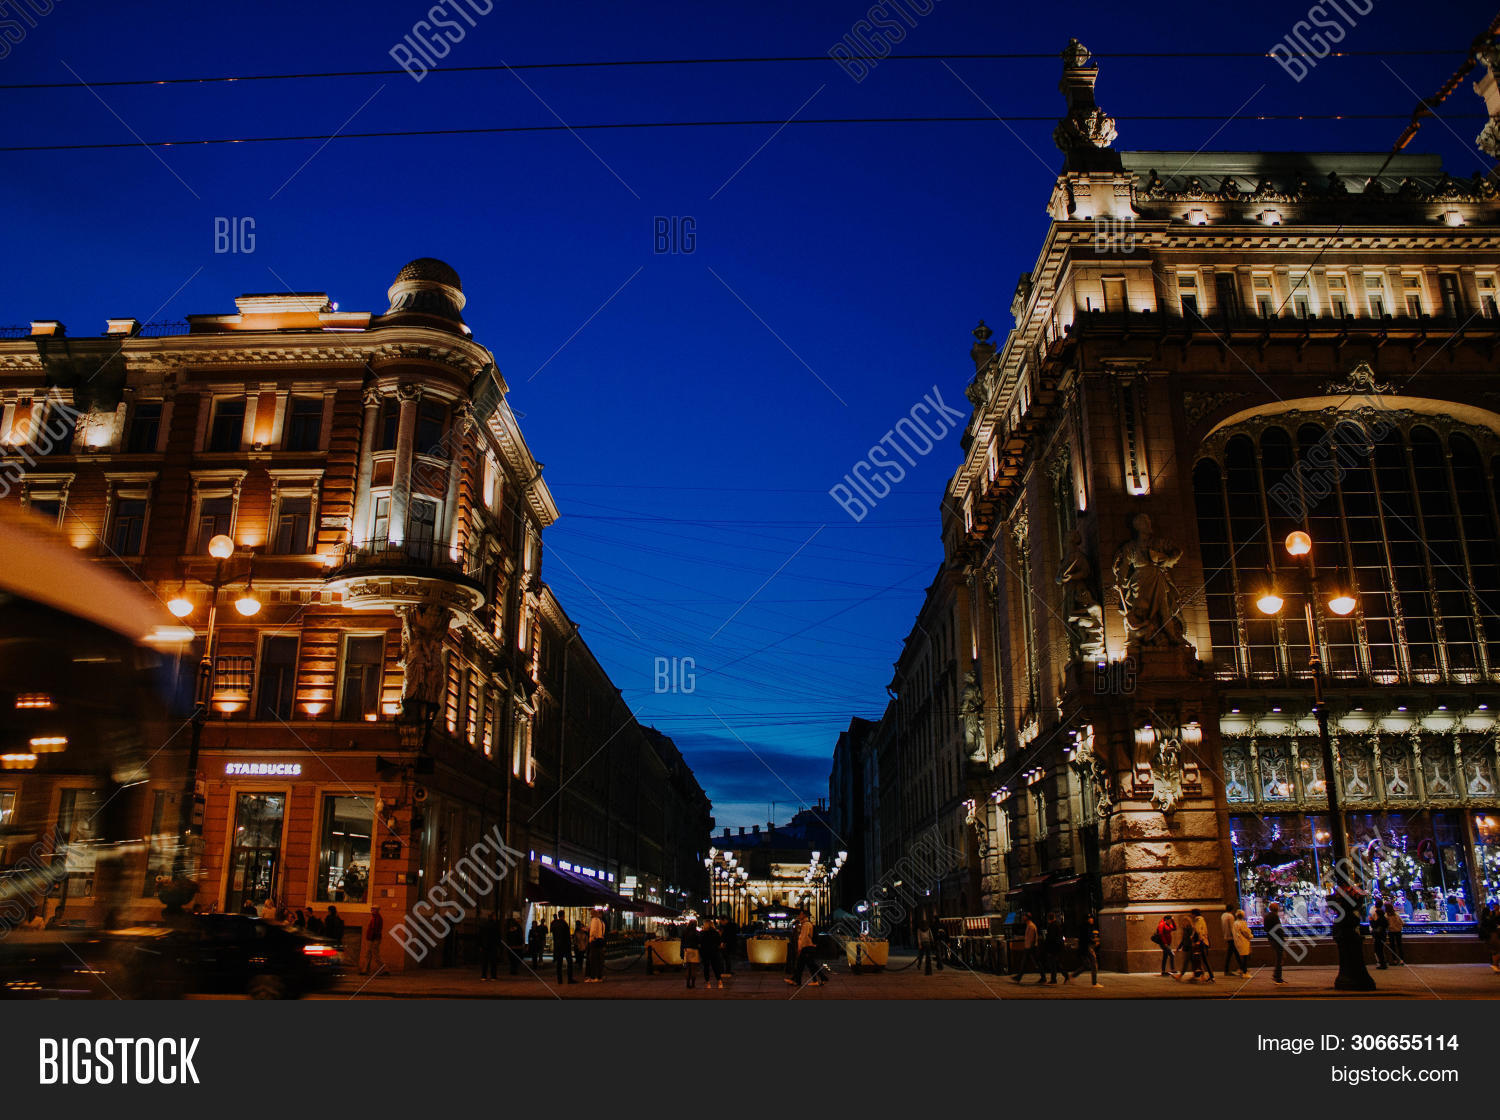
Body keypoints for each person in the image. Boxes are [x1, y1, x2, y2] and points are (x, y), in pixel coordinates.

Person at [786, 908, 826, 987]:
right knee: (806, 965)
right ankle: (796, 980)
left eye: (800, 914)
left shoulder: (806, 924)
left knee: (807, 965)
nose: (799, 915)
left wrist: (800, 948)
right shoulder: (805, 924)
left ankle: (822, 978)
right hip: (808, 947)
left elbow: (804, 938)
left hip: (807, 948)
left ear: (804, 915)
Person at [1068, 914, 1102, 987]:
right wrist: (1094, 942)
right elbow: (1086, 938)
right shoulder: (1087, 927)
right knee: (1093, 964)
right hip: (1086, 948)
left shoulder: (1085, 926)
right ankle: (1094, 982)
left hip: (1083, 948)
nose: (1092, 920)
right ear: (1087, 920)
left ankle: (1072, 975)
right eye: (1090, 918)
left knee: (1086, 965)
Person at [1012, 913, 1042, 983]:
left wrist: (1029, 947)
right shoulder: (1029, 925)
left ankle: (1019, 977)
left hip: (1030, 948)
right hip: (1029, 947)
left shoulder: (1031, 926)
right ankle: (1019, 977)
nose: (1023, 918)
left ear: (1027, 918)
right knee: (1029, 962)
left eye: (1024, 917)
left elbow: (1032, 938)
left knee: (1033, 962)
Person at [1265, 901, 1288, 984]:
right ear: (1277, 909)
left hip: (1271, 939)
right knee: (1280, 958)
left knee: (1279, 957)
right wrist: (1282, 938)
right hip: (1277, 940)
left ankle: (1276, 975)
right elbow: (1278, 929)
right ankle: (1278, 977)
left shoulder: (1267, 916)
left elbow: (1266, 929)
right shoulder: (1275, 917)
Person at [550, 910, 574, 984]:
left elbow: (553, 932)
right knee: (569, 962)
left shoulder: (554, 924)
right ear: (563, 915)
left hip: (558, 945)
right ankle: (569, 979)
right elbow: (567, 936)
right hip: (565, 945)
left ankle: (559, 980)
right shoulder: (564, 923)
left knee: (559, 963)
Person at [701, 918, 725, 989]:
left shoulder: (702, 933)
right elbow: (719, 943)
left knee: (706, 967)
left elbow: (700, 943)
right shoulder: (715, 933)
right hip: (714, 951)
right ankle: (719, 981)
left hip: (705, 952)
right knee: (716, 967)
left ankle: (708, 983)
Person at [359, 905, 384, 976]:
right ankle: (365, 970)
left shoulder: (377, 918)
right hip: (373, 938)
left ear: (377, 910)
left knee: (374, 954)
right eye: (371, 909)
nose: (371, 910)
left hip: (373, 939)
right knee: (369, 954)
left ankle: (383, 969)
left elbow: (375, 929)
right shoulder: (376, 918)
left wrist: (371, 938)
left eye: (373, 909)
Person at [1043, 912, 1065, 984]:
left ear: (1049, 918)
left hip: (1053, 947)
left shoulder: (1052, 926)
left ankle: (1056, 978)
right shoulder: (1058, 925)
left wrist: (1047, 946)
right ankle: (1055, 978)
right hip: (1058, 946)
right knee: (1055, 963)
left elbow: (1051, 938)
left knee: (1054, 963)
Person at [478, 912, 502, 981]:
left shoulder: (483, 925)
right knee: (493, 962)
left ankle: (484, 976)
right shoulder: (495, 925)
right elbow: (498, 936)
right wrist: (498, 945)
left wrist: (480, 945)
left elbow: (480, 936)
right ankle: (493, 976)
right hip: (493, 946)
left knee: (485, 962)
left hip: (485, 945)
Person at [585, 908, 607, 982]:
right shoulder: (601, 921)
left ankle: (593, 977)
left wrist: (591, 938)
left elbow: (593, 931)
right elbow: (603, 931)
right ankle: (599, 976)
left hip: (594, 941)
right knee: (599, 960)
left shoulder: (594, 920)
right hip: (600, 941)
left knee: (593, 960)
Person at [1479, 902, 1500, 974]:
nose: (1492, 911)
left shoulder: (1484, 920)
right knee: (1497, 950)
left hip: (1488, 937)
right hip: (1492, 936)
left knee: (1494, 952)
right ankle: (1495, 965)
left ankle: (1495, 966)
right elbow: (1493, 925)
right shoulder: (1489, 920)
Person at [682, 917, 702, 988]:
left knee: (688, 968)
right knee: (694, 968)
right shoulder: (697, 933)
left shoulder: (685, 932)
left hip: (687, 950)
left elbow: (682, 942)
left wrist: (682, 951)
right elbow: (699, 942)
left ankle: (687, 983)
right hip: (695, 950)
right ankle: (693, 983)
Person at [1369, 900, 1390, 970]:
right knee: (1380, 950)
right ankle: (1382, 963)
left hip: (1379, 936)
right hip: (1382, 935)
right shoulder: (1384, 919)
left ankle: (1381, 963)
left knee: (1378, 950)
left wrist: (1371, 921)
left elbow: (1375, 926)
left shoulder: (1378, 918)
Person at [1232, 910, 1253, 976]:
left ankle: (1242, 969)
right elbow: (1246, 932)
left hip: (1237, 942)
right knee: (1245, 957)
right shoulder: (1242, 923)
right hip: (1243, 941)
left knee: (1242, 957)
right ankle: (1245, 972)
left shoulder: (1235, 923)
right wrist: (1250, 936)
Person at [1220, 906, 1238, 976]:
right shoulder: (1230, 916)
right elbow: (1232, 927)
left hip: (1226, 936)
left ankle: (1241, 967)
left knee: (1232, 952)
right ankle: (1227, 969)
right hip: (1231, 937)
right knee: (1232, 952)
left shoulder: (1223, 915)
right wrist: (1235, 936)